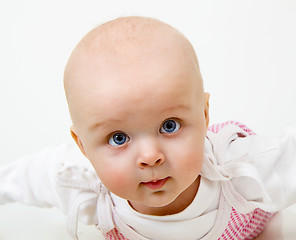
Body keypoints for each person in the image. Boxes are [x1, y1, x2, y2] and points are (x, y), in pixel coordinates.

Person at [1, 16, 296, 240]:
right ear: (84, 147)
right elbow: (21, 179)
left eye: (169, 126)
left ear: (205, 116)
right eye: (118, 138)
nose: (150, 156)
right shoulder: (80, 181)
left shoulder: (243, 170)